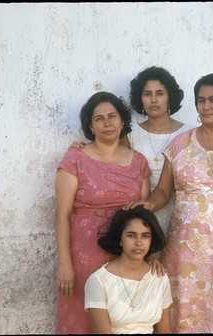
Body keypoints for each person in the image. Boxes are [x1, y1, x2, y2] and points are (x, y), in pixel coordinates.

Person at [125, 73, 213, 333]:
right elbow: (163, 191)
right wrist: (146, 205)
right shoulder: (181, 143)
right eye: (201, 101)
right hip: (185, 252)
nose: (206, 106)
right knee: (183, 315)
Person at [54, 91, 151, 334]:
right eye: (99, 119)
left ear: (122, 121)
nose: (107, 123)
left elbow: (143, 217)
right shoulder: (75, 158)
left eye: (112, 116)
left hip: (125, 253)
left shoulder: (139, 163)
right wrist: (65, 263)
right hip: (84, 254)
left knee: (121, 318)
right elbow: (62, 215)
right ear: (90, 125)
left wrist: (150, 258)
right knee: (81, 316)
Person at [70, 66, 194, 238]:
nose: (153, 99)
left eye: (159, 93)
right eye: (147, 94)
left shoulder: (189, 134)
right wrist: (84, 148)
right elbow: (109, 157)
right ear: (140, 99)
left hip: (179, 211)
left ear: (169, 96)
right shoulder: (131, 133)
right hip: (137, 211)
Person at [84, 206, 173, 334]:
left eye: (145, 236)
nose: (138, 242)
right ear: (120, 239)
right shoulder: (98, 281)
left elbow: (165, 331)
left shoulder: (159, 278)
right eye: (131, 235)